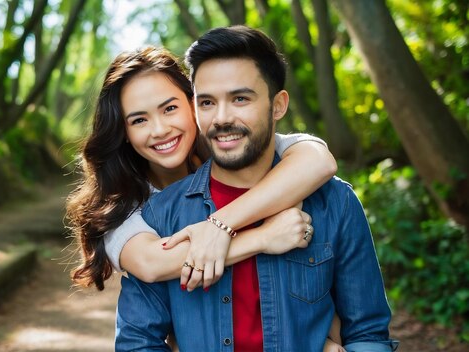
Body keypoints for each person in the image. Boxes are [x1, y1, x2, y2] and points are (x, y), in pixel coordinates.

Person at [115, 26, 398, 351]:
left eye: (240, 99)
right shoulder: (159, 217)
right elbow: (138, 343)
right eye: (206, 102)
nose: (221, 118)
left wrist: (220, 226)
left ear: (278, 106)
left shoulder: (335, 202)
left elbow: (368, 334)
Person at [65, 46, 341, 351]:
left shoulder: (233, 149)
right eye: (139, 120)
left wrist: (219, 225)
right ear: (123, 132)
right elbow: (150, 263)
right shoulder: (125, 206)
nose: (160, 129)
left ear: (194, 104)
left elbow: (318, 162)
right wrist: (262, 237)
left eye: (170, 108)